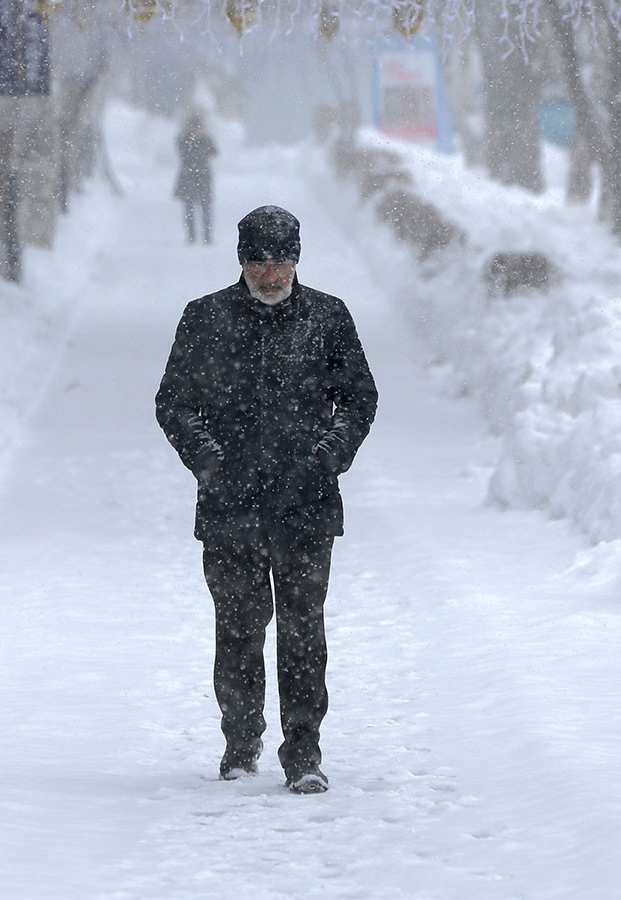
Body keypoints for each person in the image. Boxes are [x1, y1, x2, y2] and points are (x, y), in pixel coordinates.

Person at [155, 206, 378, 794]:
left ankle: (304, 752)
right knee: (237, 629)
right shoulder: (205, 319)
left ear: (297, 259)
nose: (270, 273)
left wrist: (329, 455)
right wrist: (210, 464)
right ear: (241, 260)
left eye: (280, 260)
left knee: (304, 632)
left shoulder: (328, 318)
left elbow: (359, 398)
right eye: (258, 260)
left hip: (305, 505)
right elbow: (173, 404)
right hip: (230, 509)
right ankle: (240, 739)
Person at [173, 114, 217, 244]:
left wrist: (204, 139)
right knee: (189, 208)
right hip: (188, 177)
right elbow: (185, 155)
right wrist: (196, 141)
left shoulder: (206, 139)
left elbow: (215, 152)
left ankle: (207, 236)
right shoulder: (183, 139)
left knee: (206, 208)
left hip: (203, 177)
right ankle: (191, 236)